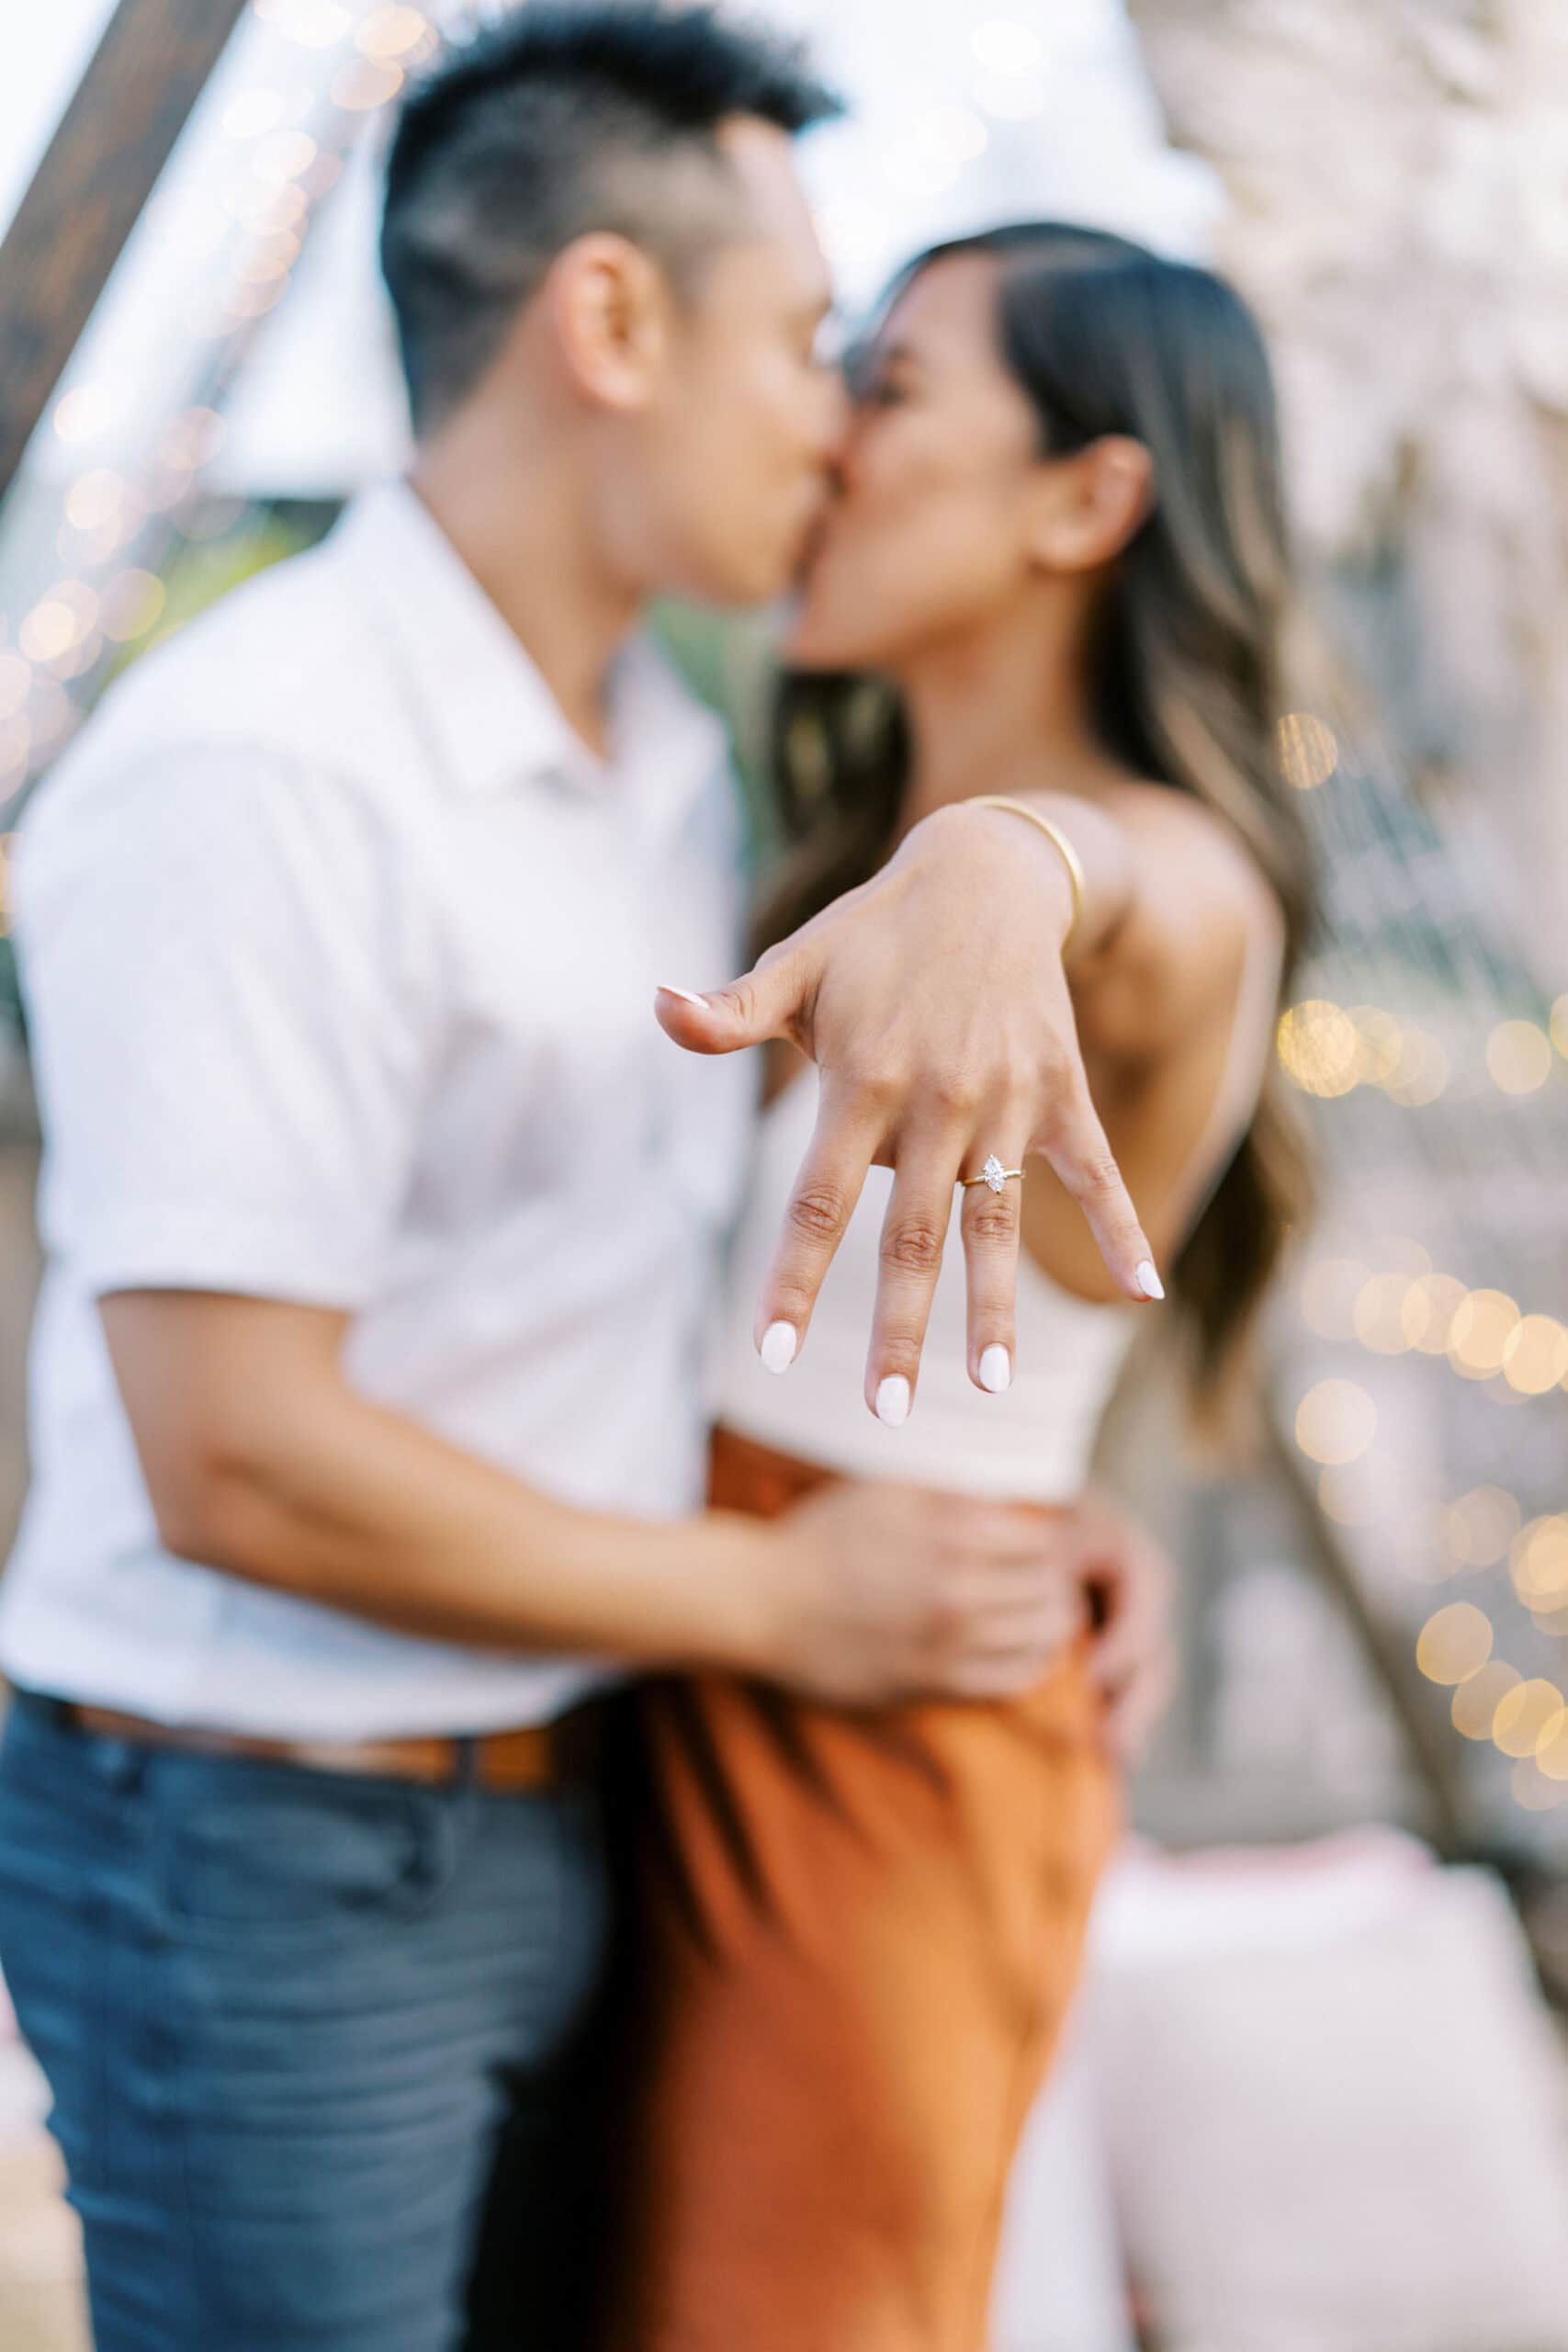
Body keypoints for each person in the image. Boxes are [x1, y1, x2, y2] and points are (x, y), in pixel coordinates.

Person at [0, 15, 1170, 2352]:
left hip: (578, 1793)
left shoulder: (662, 748)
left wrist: (989, 1494)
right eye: (803, 340)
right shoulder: (264, 762)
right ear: (610, 321)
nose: (838, 420)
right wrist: (782, 1606)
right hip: (270, 1847)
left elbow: (616, 1272)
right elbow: (230, 1448)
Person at [615, 221, 1314, 2352]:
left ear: (1086, 500)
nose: (827, 434)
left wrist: (1014, 856)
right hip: (694, 1665)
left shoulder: (1131, 883)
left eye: (895, 386)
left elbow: (1167, 893)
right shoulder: (790, 850)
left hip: (870, 1753)